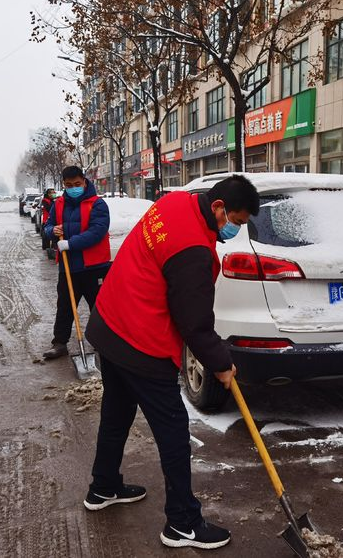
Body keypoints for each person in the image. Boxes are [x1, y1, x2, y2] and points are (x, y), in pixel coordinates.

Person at [83, 174, 260, 550]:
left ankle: (103, 486)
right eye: (237, 222)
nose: (235, 230)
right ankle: (182, 522)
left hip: (109, 324)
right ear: (218, 208)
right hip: (139, 343)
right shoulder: (194, 251)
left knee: (115, 414)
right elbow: (195, 324)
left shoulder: (174, 202)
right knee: (174, 433)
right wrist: (221, 363)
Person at [42, 167, 111, 359]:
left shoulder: (97, 204)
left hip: (94, 266)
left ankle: (103, 343)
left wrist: (70, 243)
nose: (73, 188)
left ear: (84, 181)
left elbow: (97, 231)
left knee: (98, 308)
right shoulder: (59, 204)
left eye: (77, 184)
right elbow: (48, 225)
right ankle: (59, 343)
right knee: (64, 306)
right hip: (69, 266)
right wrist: (51, 231)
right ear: (63, 184)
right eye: (69, 185)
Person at [40, 188, 57, 259]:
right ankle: (47, 250)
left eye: (54, 193)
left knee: (54, 237)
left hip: (54, 221)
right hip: (46, 221)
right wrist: (54, 202)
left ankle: (53, 250)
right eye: (51, 193)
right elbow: (50, 209)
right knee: (46, 237)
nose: (53, 194)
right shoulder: (45, 201)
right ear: (48, 194)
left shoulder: (53, 201)